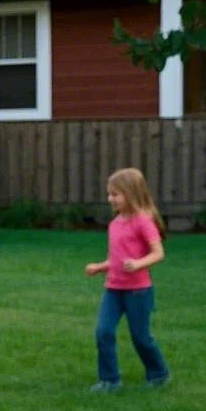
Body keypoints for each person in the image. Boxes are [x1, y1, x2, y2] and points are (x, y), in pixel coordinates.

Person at [85, 167, 171, 392]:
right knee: (103, 331)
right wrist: (100, 267)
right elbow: (116, 259)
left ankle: (159, 373)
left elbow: (158, 253)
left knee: (141, 338)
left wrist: (138, 264)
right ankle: (109, 380)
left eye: (115, 194)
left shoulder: (143, 221)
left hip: (138, 291)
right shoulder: (114, 224)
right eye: (109, 194)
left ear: (130, 193)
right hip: (113, 289)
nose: (110, 199)